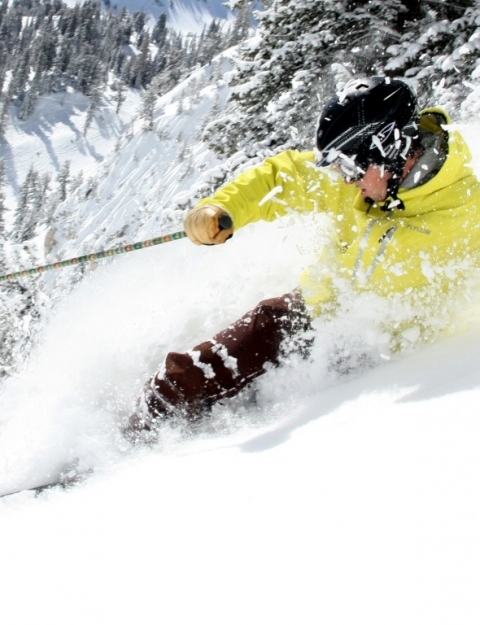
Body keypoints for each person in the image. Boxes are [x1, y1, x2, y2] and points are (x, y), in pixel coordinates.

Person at [126, 75, 480, 437]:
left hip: (385, 361)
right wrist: (221, 208)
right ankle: (119, 452)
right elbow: (284, 177)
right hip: (308, 315)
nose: (345, 180)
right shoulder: (363, 186)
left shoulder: (469, 215)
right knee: (187, 378)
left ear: (388, 148)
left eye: (350, 166)